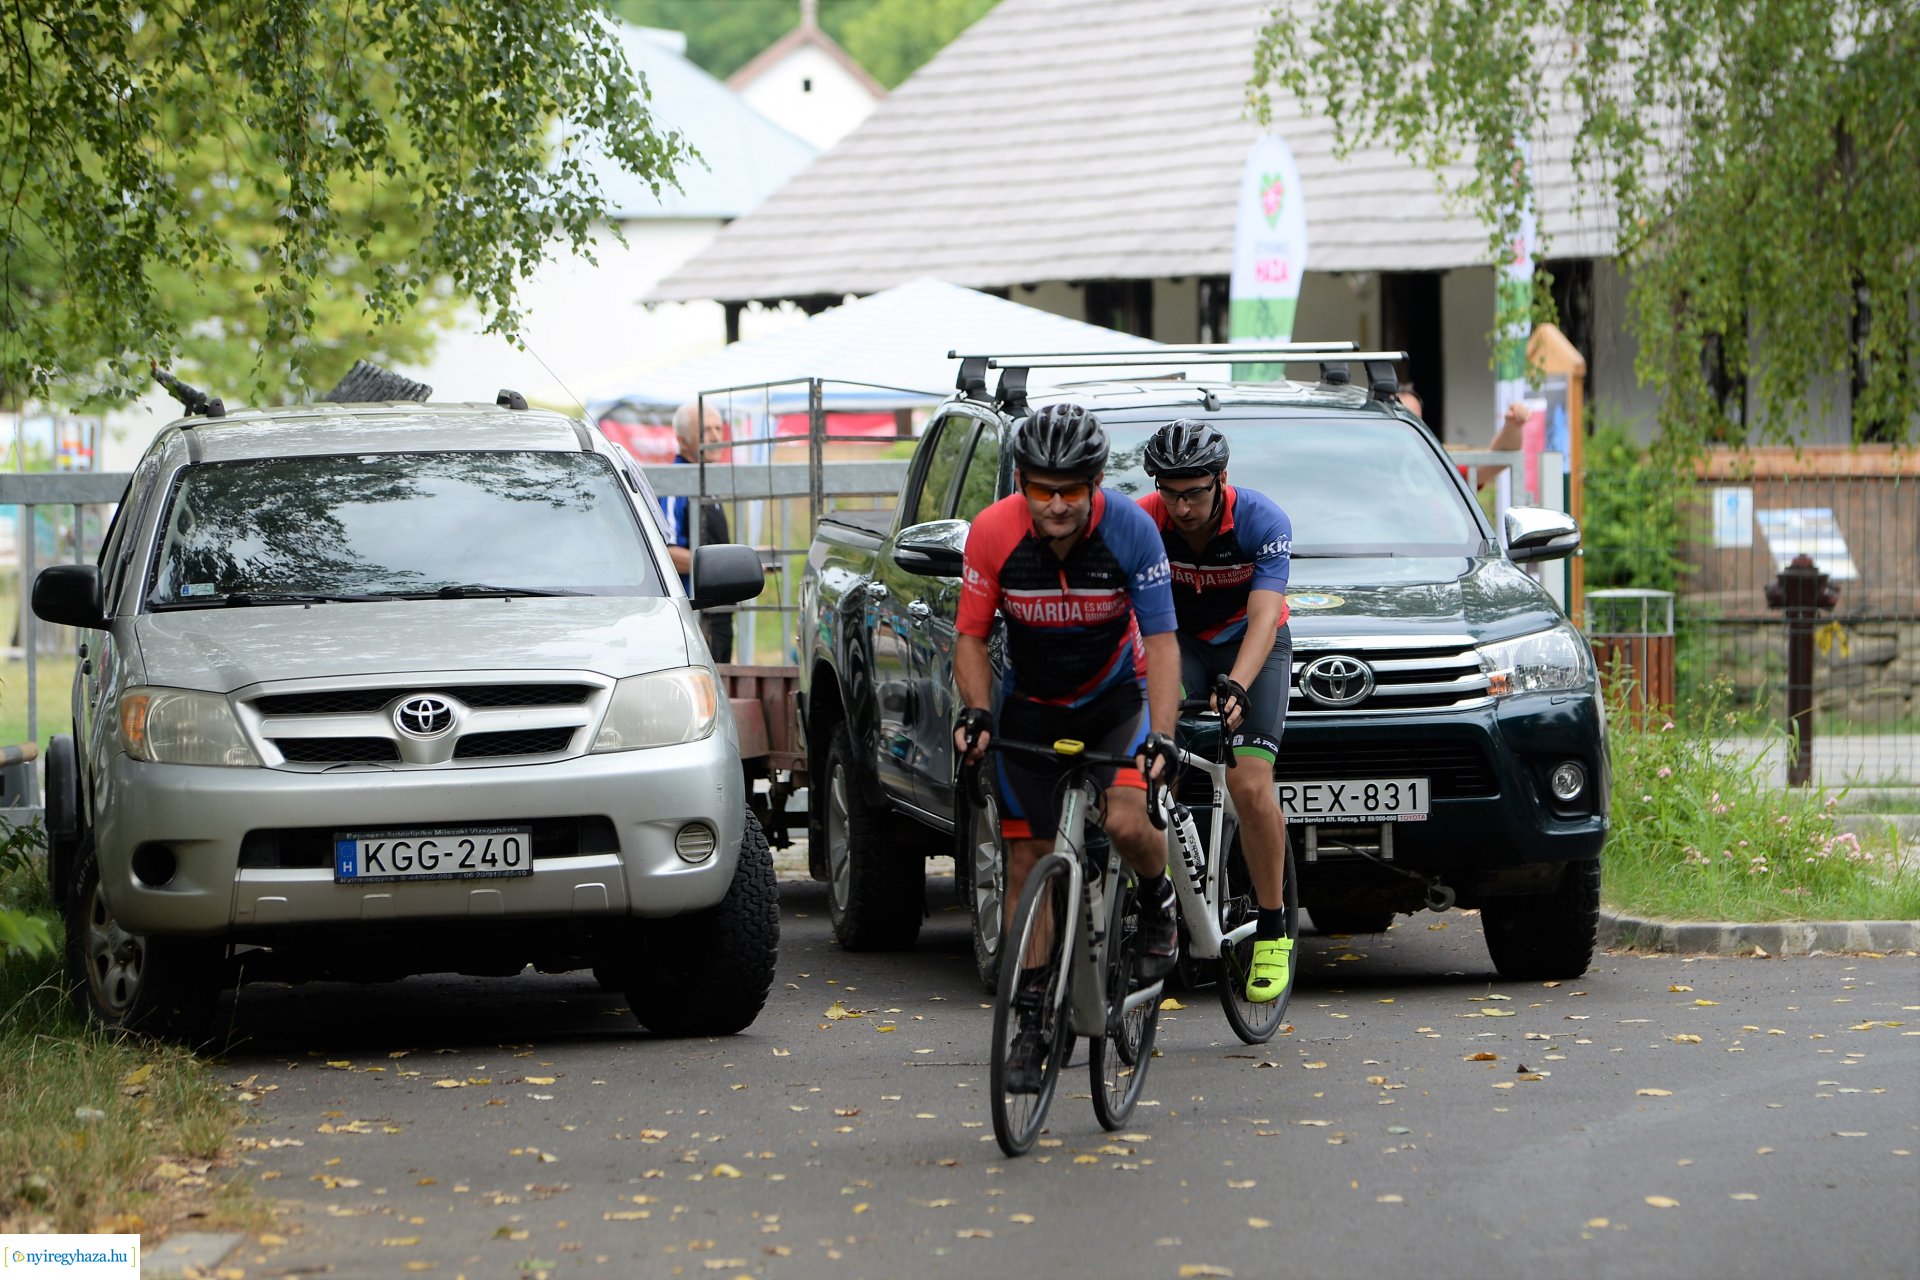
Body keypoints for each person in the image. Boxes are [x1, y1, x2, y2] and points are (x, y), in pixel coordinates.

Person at [951, 402, 1183, 1091]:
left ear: (1096, 483)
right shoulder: (994, 533)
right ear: (1021, 480)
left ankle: (1155, 900)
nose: (1055, 505)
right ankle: (1030, 1022)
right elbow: (970, 637)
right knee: (1028, 857)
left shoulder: (1133, 531)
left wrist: (1163, 734)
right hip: (1033, 703)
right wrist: (977, 711)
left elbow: (1163, 641)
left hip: (1116, 699)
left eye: (1071, 490)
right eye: (1042, 489)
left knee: (1124, 818)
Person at [1136, 420, 1296, 1003]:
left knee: (1250, 782)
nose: (1181, 506)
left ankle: (1274, 927)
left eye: (1194, 492)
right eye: (1169, 492)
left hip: (1249, 644)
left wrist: (1239, 687)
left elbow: (1263, 619)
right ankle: (1162, 891)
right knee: (1147, 760)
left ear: (1220, 481)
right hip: (1179, 643)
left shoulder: (1260, 519)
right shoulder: (1143, 520)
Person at [661, 401, 735, 663]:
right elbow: (664, 553)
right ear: (682, 439)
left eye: (718, 428)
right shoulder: (674, 485)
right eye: (706, 430)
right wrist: (719, 568)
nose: (716, 437)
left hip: (719, 613)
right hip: (693, 617)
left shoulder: (709, 483)